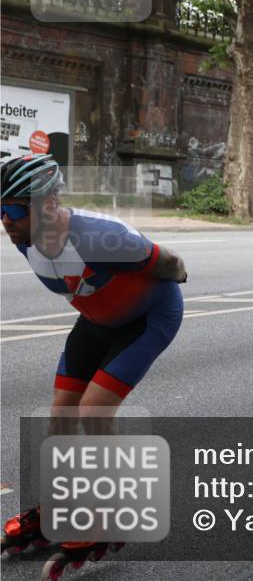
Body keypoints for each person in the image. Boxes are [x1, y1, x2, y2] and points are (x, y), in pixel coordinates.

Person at [0, 154, 187, 569]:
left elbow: (173, 264)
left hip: (148, 317)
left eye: (12, 209)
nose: (5, 220)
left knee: (94, 410)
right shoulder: (23, 235)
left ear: (48, 205)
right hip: (95, 319)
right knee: (61, 417)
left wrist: (169, 279)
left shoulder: (104, 236)